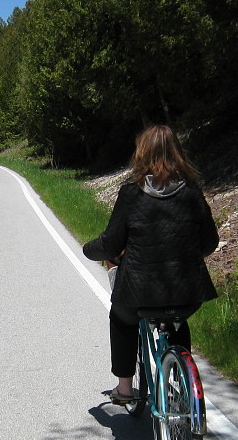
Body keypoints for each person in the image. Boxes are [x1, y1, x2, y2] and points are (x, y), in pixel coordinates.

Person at [82, 124, 219, 403]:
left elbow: (110, 244)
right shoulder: (192, 192)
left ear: (141, 153)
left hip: (138, 294)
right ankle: (180, 379)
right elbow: (210, 242)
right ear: (178, 154)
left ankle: (123, 388)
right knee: (177, 320)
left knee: (121, 318)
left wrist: (89, 249)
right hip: (187, 292)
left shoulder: (132, 194)